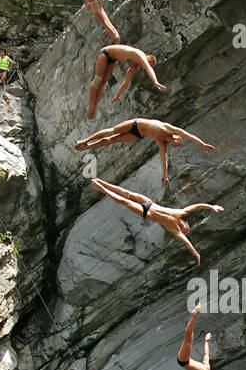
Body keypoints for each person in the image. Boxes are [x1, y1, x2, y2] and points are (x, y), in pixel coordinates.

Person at [91, 178, 223, 266]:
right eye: (186, 226)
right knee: (127, 193)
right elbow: (197, 206)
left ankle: (101, 188)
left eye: (185, 229)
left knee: (124, 201)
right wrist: (212, 207)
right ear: (185, 222)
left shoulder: (174, 228)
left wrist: (196, 254)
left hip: (146, 213)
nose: (185, 226)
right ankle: (103, 183)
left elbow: (187, 243)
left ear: (182, 229)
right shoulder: (181, 213)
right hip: (149, 203)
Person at [76, 114, 215, 185]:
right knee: (111, 132)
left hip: (138, 134)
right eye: (177, 143)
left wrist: (165, 176)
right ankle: (85, 140)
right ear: (177, 138)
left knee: (113, 140)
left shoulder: (162, 143)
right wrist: (202, 144)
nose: (175, 144)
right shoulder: (170, 129)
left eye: (176, 146)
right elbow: (188, 135)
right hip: (136, 124)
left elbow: (164, 159)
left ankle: (88, 146)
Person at [85, 45, 165, 118]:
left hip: (112, 59)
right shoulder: (140, 55)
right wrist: (155, 81)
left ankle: (94, 106)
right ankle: (91, 105)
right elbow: (148, 68)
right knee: (98, 80)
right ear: (149, 59)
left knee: (103, 83)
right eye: (148, 64)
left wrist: (118, 95)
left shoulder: (135, 66)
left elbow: (126, 82)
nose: (144, 67)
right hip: (105, 53)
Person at [176, 306, 223, 370]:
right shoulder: (207, 368)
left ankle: (194, 315)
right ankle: (194, 315)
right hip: (186, 360)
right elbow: (206, 354)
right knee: (189, 337)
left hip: (184, 361)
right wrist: (207, 341)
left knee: (188, 337)